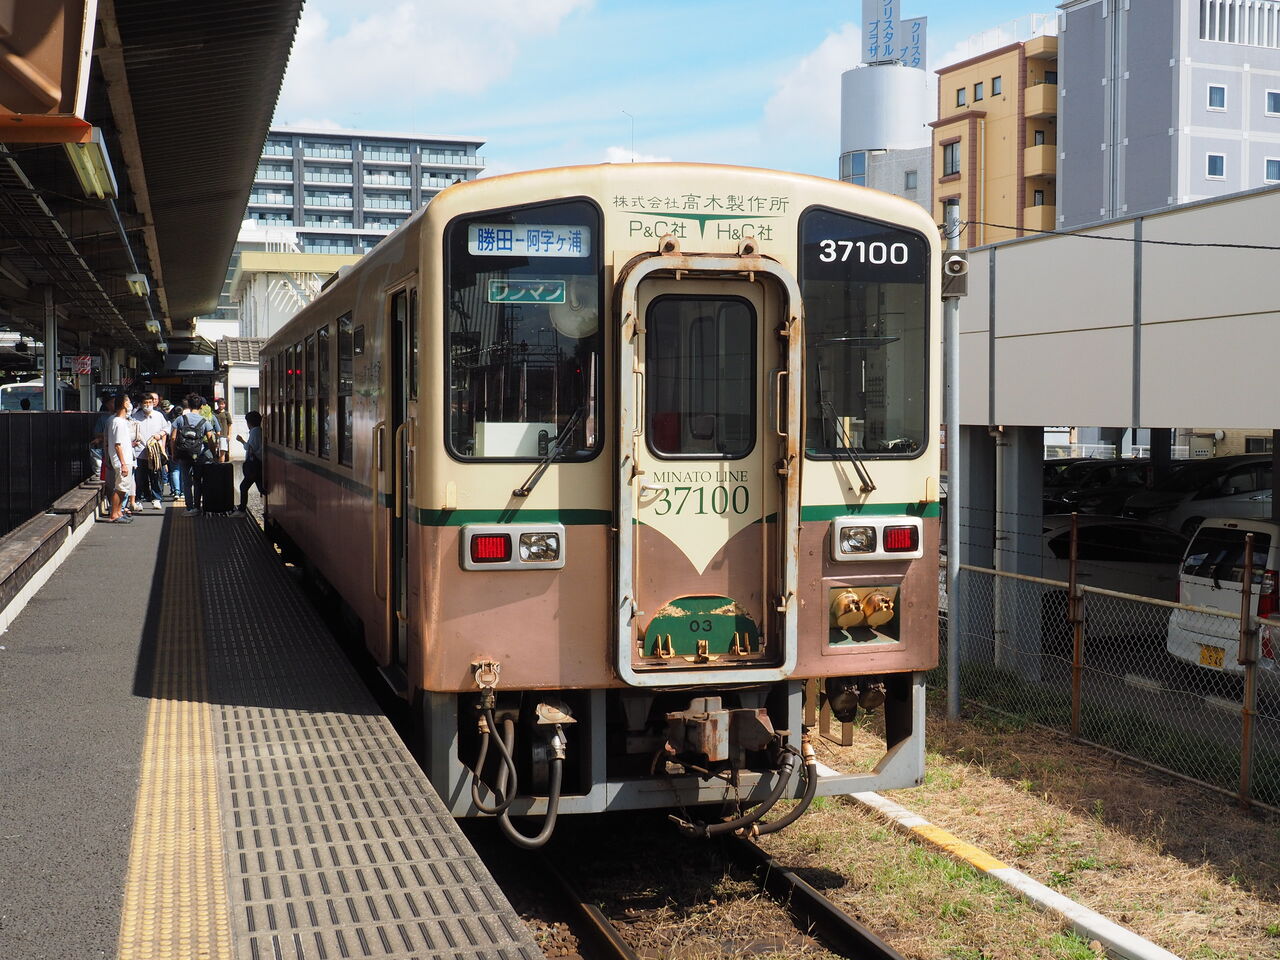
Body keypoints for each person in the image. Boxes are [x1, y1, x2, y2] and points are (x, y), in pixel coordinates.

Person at [170, 393, 215, 515]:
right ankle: (197, 507)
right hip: (199, 455)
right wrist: (214, 453)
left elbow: (173, 438)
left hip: (184, 454)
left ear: (188, 406)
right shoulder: (204, 421)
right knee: (197, 481)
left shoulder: (180, 419)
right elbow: (211, 439)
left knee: (186, 481)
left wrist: (174, 453)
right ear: (201, 407)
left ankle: (189, 508)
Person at [132, 391, 169, 509]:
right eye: (145, 403)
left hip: (155, 453)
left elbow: (167, 427)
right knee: (139, 478)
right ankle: (138, 499)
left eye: (149, 402)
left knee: (155, 476)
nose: (148, 405)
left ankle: (157, 498)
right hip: (139, 452)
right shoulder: (135, 416)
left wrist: (161, 434)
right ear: (141, 404)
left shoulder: (159, 416)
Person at [103, 393, 135, 523]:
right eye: (128, 402)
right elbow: (118, 445)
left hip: (125, 460)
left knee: (123, 488)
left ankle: (119, 512)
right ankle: (114, 514)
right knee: (120, 489)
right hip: (123, 461)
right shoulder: (118, 422)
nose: (130, 404)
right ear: (124, 404)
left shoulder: (119, 421)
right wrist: (123, 464)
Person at [232, 410, 263, 516]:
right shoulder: (258, 431)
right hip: (258, 465)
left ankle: (242, 510)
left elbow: (250, 447)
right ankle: (242, 509)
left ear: (249, 422)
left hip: (255, 465)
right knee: (260, 487)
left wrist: (241, 440)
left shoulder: (255, 431)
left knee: (243, 487)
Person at [213, 396, 233, 462]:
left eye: (223, 404)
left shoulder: (226, 414)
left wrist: (229, 435)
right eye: (220, 404)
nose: (221, 405)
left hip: (224, 435)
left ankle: (221, 465)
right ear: (217, 404)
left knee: (222, 452)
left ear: (225, 404)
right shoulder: (214, 413)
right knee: (214, 451)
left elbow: (229, 425)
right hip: (215, 435)